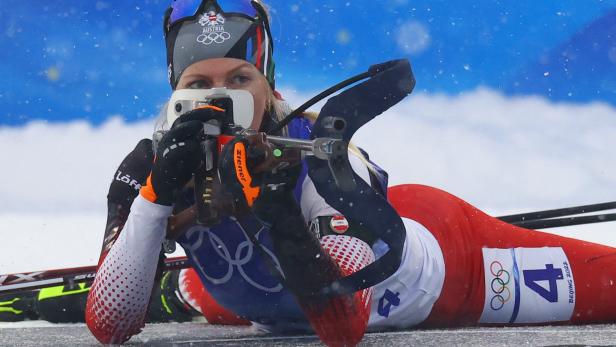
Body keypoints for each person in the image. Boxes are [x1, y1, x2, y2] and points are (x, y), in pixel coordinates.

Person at [85, 1, 616, 346]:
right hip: (260, 303)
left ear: (269, 86)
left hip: (450, 273)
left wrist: (275, 208)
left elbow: (343, 326)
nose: (220, 98)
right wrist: (154, 200)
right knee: (210, 283)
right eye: (200, 82)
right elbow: (110, 324)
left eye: (240, 78)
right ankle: (182, 288)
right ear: (176, 89)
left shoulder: (313, 149)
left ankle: (184, 288)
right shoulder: (148, 165)